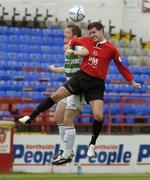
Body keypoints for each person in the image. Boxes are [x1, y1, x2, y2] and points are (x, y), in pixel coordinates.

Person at [18, 21, 141, 165]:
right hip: (81, 77)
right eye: (90, 33)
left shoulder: (111, 48)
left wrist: (131, 81)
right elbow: (74, 40)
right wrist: (69, 44)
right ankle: (31, 117)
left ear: (101, 31)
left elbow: (120, 65)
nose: (92, 35)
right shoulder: (86, 40)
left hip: (96, 84)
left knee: (98, 115)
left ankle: (92, 143)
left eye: (94, 32)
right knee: (56, 96)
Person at [48, 24, 87, 165]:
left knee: (67, 119)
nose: (64, 35)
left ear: (75, 36)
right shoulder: (67, 49)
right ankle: (65, 150)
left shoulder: (77, 46)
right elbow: (69, 68)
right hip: (68, 87)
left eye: (67, 33)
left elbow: (85, 52)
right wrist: (55, 70)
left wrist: (74, 51)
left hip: (78, 88)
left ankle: (67, 152)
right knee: (58, 117)